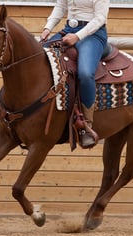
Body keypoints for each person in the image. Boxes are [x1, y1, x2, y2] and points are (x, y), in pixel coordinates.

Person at [40, 0, 110, 148]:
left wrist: (77, 36)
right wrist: (48, 28)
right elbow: (61, 6)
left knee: (85, 74)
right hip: (68, 30)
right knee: (40, 56)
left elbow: (100, 18)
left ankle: (86, 124)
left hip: (93, 34)